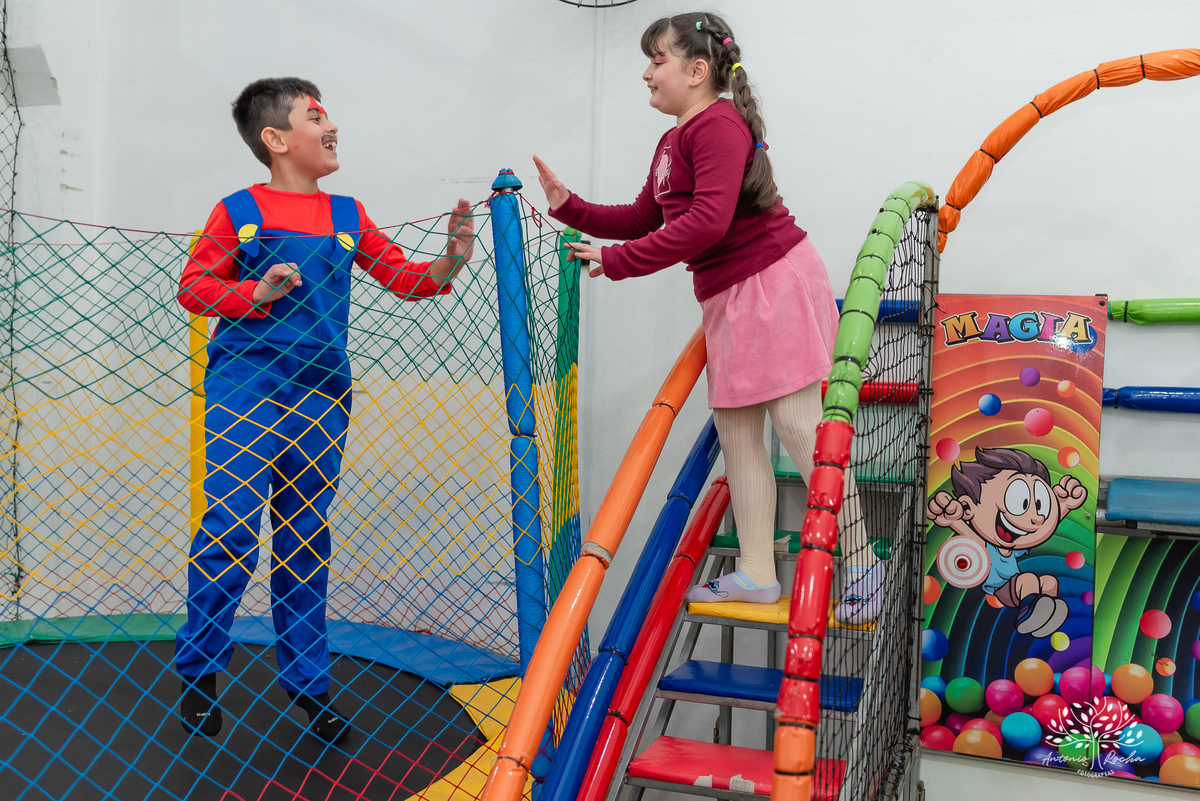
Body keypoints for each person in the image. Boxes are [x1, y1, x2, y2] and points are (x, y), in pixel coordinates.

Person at [533, 12, 883, 623]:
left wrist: (619, 264)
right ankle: (755, 570)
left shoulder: (718, 125)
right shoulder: (674, 139)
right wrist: (572, 209)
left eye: (657, 60)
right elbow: (648, 216)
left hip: (769, 280)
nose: (646, 73)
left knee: (798, 423)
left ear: (697, 71)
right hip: (731, 292)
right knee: (736, 428)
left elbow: (707, 223)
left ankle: (863, 564)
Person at [174, 77, 474, 742]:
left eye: (328, 113)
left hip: (320, 394)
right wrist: (256, 288)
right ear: (276, 139)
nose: (330, 124)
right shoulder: (238, 209)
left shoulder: (348, 214)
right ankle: (198, 670)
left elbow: (405, 279)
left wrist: (453, 257)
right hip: (247, 385)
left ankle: (309, 687)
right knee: (228, 529)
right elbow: (193, 288)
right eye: (315, 116)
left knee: (304, 542)